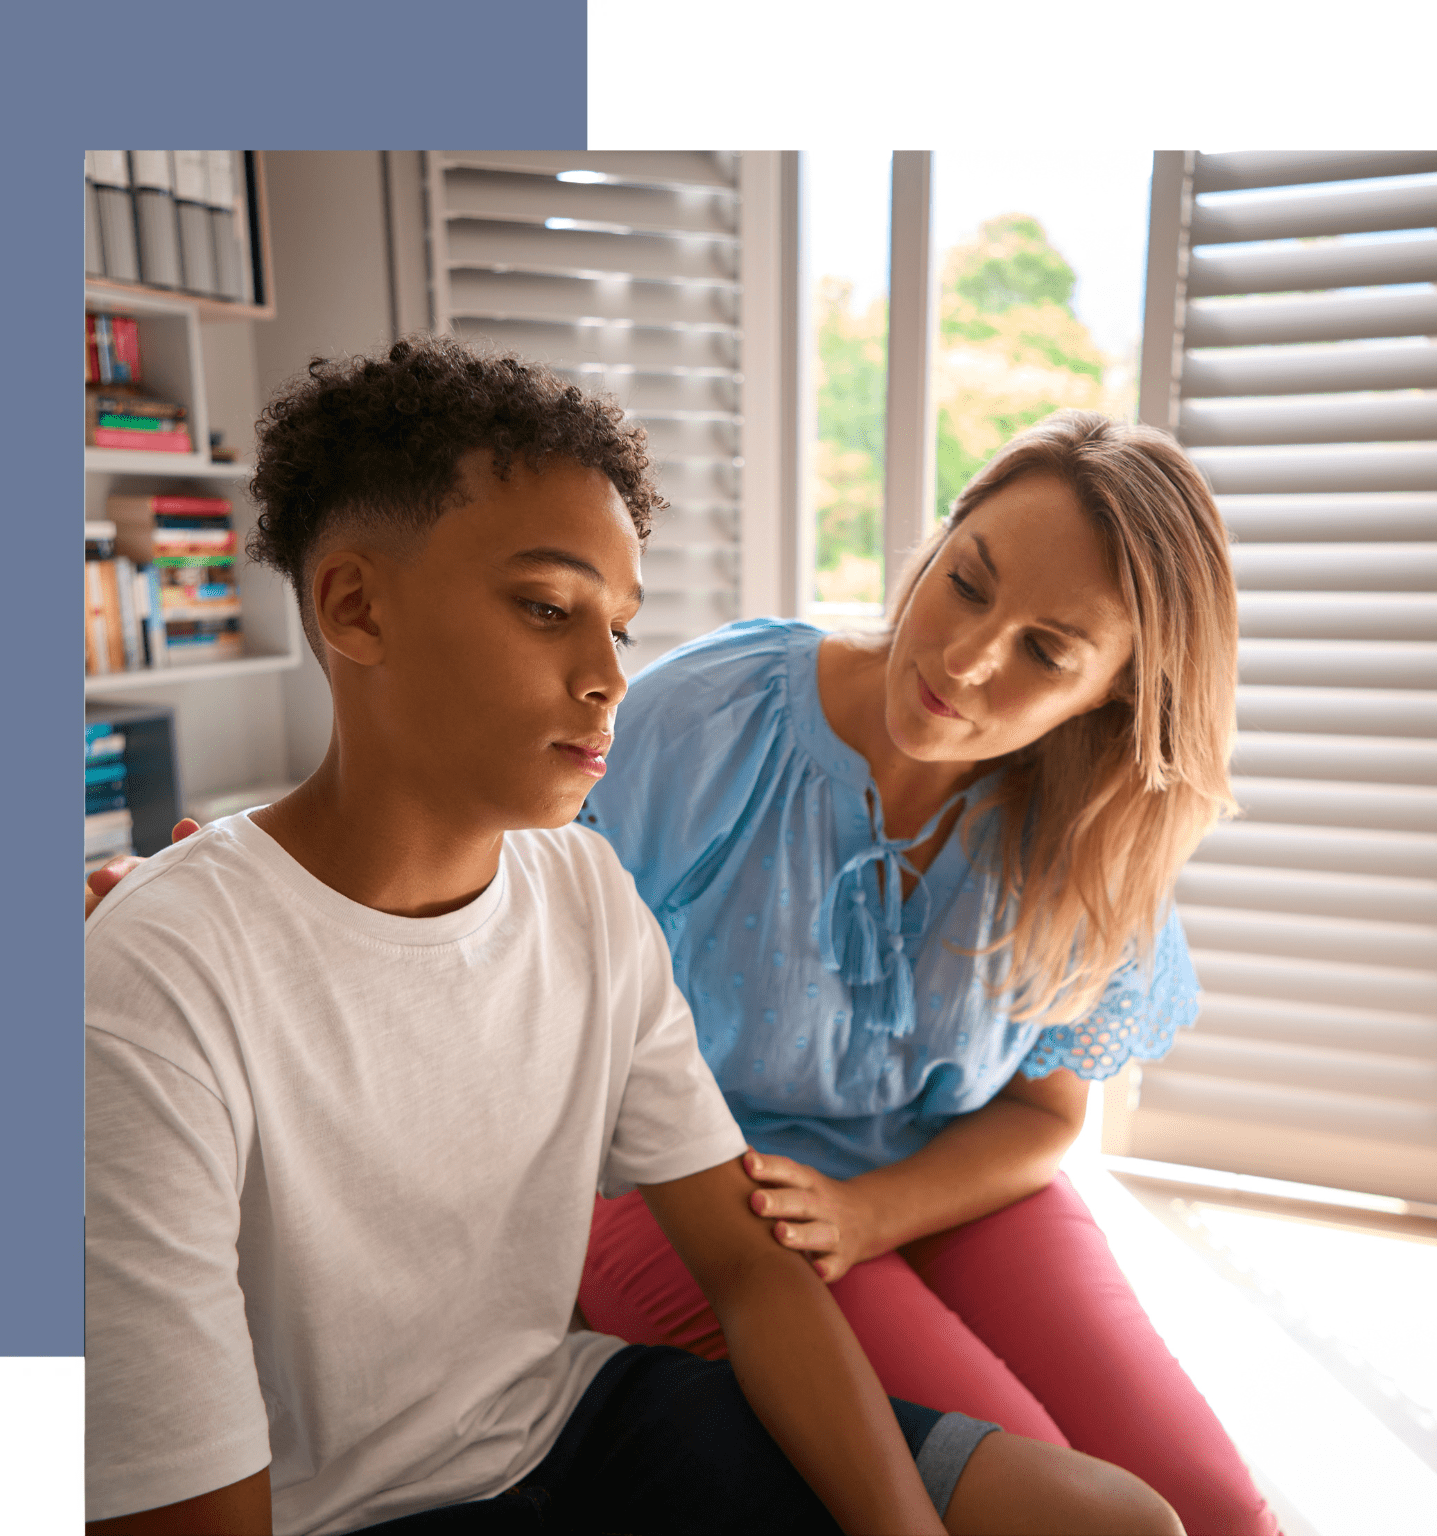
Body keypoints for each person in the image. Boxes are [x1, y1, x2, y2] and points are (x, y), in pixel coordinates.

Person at [84, 339, 1182, 1536]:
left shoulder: (588, 894)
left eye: (618, 622)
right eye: (548, 609)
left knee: (1121, 1519)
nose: (610, 675)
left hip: (565, 1418)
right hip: (348, 1507)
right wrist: (169, 915)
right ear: (356, 605)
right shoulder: (160, 978)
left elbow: (751, 1270)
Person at [567, 412, 1283, 1536]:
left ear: (1112, 695)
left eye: (1046, 651)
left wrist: (872, 1213)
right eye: (966, 582)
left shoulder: (1087, 828)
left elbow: (1044, 1112)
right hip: (693, 1185)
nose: (963, 658)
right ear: (939, 540)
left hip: (937, 1174)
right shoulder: (706, 718)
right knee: (1054, 1508)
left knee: (1212, 1513)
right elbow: (517, 959)